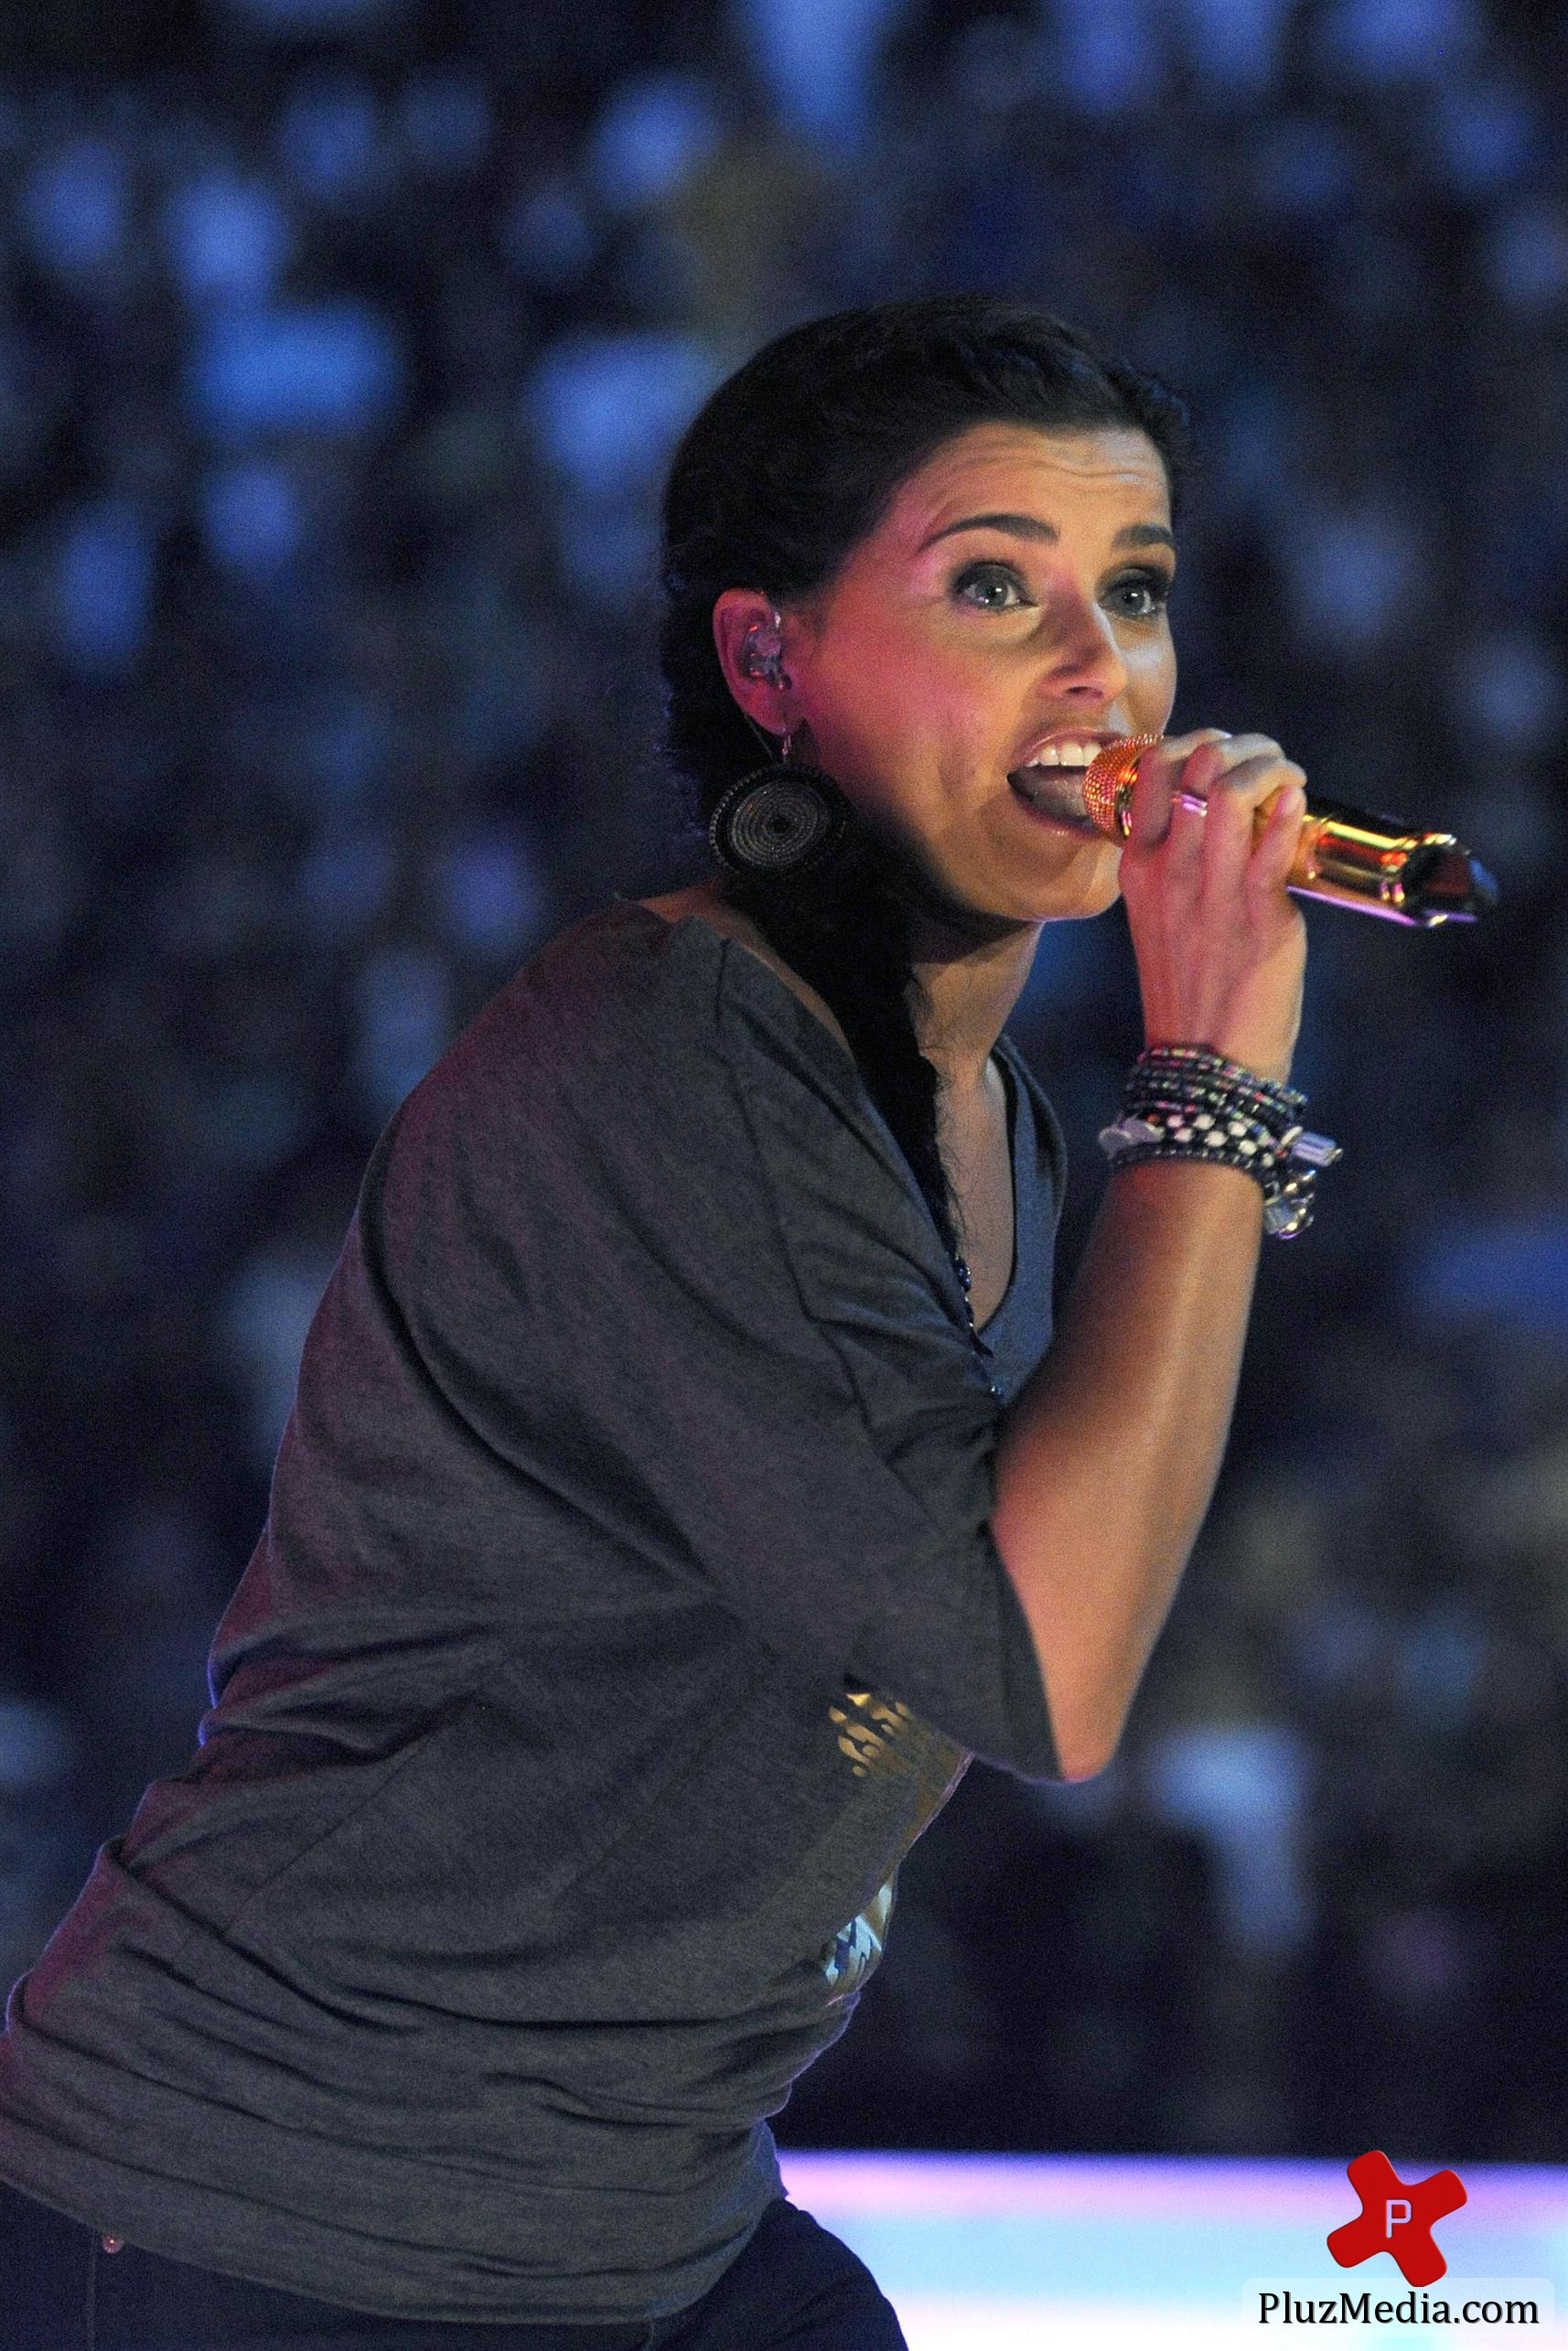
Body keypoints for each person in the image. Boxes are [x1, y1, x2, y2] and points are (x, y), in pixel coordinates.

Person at [0, 295, 1321, 2348]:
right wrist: (1215, 1084)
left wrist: (1180, 1113)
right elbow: (1040, 1665)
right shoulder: (673, 1052)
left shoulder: (997, 1117)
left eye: (1131, 594)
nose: (1100, 672)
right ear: (764, 655)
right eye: (993, 584)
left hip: (639, 2218)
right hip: (274, 2212)